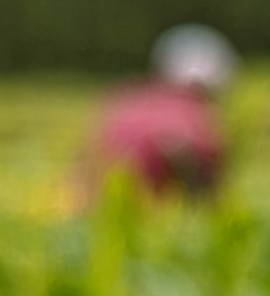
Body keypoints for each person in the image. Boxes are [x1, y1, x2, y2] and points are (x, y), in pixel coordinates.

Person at [88, 25, 238, 200]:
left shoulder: (125, 97)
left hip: (98, 208)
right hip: (146, 213)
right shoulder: (196, 116)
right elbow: (184, 151)